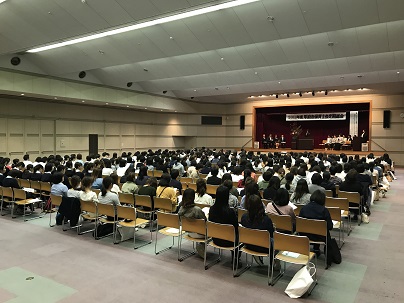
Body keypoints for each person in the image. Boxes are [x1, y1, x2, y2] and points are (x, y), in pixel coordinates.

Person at [208, 186, 240, 265]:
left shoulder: (212, 209)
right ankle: (235, 259)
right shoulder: (230, 212)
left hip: (215, 239)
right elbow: (236, 228)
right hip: (230, 241)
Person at [299, 190, 333, 262]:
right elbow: (330, 226)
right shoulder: (324, 210)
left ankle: (316, 249)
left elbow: (299, 223)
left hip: (305, 235)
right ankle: (325, 255)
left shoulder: (304, 208)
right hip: (320, 236)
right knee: (324, 232)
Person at [241, 194, 274, 265]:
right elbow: (271, 234)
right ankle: (275, 264)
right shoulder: (266, 220)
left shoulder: (244, 217)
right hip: (264, 247)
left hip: (248, 244)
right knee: (277, 239)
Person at [178, 188, 207, 258]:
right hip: (200, 234)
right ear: (193, 197)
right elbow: (205, 222)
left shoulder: (181, 209)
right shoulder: (197, 210)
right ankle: (201, 245)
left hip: (188, 232)